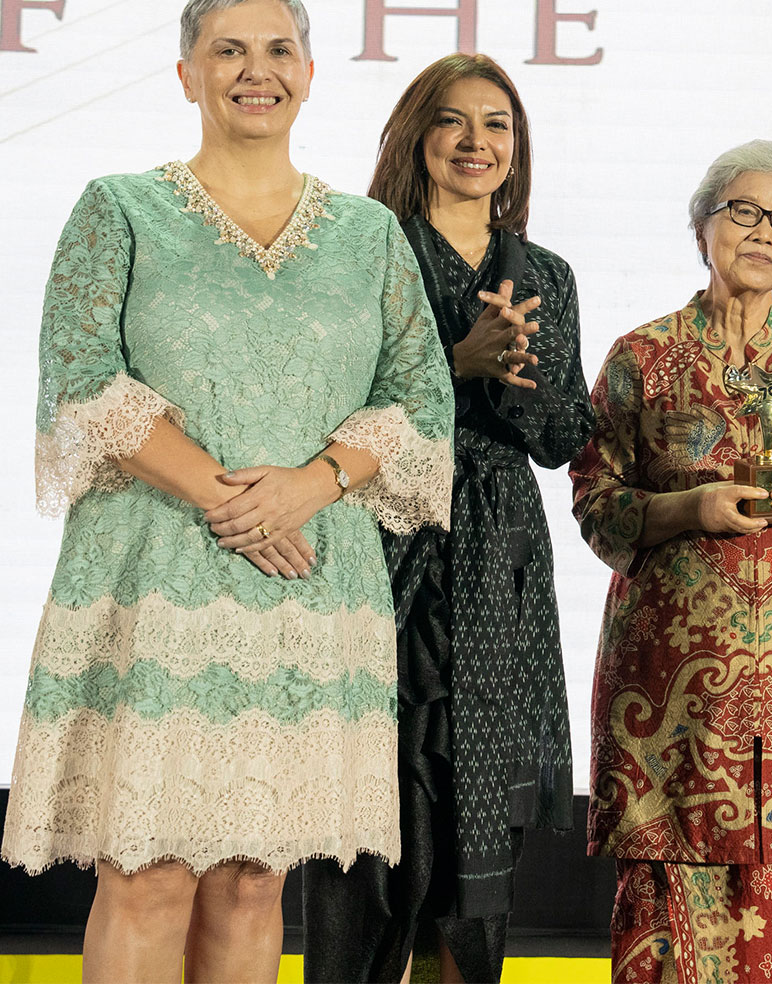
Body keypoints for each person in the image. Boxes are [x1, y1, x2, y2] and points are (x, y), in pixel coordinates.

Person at [0, 0, 454, 981]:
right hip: (155, 573)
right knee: (147, 873)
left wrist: (313, 483)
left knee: (255, 880)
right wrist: (228, 494)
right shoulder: (119, 210)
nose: (257, 72)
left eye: (278, 50)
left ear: (309, 73)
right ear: (187, 73)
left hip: (308, 582)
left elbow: (422, 404)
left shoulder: (369, 236)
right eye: (229, 51)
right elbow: (81, 381)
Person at [569, 140, 772, 984]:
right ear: (702, 227)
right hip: (675, 691)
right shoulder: (642, 357)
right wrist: (688, 508)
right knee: (672, 897)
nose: (766, 234)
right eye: (745, 212)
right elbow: (595, 501)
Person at [303, 53, 593, 983]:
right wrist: (454, 365)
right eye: (454, 121)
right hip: (382, 547)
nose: (477, 142)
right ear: (416, 136)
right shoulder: (359, 248)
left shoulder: (545, 271)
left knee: (478, 829)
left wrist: (526, 378)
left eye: (497, 124)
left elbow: (563, 437)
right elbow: (323, 404)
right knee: (373, 821)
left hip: (497, 557)